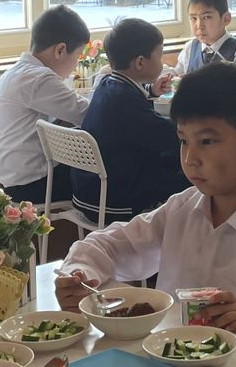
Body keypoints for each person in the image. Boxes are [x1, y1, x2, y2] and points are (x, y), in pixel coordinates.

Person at [54, 62, 236, 334]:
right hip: (169, 357)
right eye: (184, 141)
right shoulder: (182, 209)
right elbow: (109, 245)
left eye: (207, 142)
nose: (190, 159)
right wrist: (80, 275)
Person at [70, 18, 187, 222]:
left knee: (178, 159)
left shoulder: (107, 83)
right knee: (196, 170)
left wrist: (151, 90)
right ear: (140, 62)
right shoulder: (124, 101)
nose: (162, 64)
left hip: (91, 190)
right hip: (114, 200)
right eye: (159, 56)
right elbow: (168, 136)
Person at [0, 5, 92, 203]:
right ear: (60, 50)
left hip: (11, 181)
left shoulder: (18, 72)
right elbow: (87, 114)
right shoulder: (38, 78)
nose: (76, 64)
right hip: (34, 186)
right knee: (113, 167)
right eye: (77, 56)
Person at [172, 0, 236, 74]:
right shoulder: (190, 48)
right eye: (193, 18)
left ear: (226, 19)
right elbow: (177, 74)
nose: (199, 26)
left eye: (206, 17)